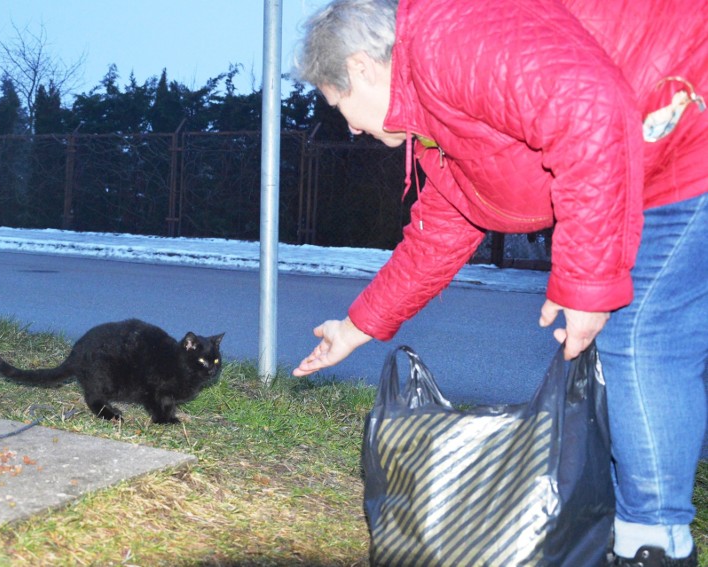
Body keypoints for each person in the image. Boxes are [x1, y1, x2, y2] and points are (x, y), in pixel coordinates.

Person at [291, 0, 707, 565]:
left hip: (684, 126)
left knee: (639, 339)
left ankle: (653, 545)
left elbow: (589, 108)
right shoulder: (430, 116)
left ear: (362, 67)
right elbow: (445, 226)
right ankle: (634, 531)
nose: (350, 125)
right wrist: (356, 327)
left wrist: (585, 284)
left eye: (340, 104)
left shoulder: (447, 41)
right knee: (638, 346)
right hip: (643, 153)